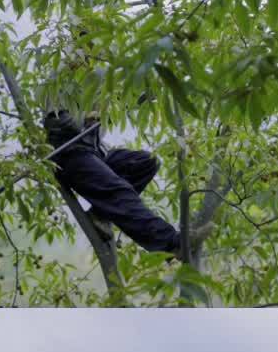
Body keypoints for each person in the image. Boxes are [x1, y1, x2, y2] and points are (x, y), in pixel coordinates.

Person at [43, 108, 181, 255]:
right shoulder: (61, 88)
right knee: (119, 192)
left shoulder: (101, 92)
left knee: (147, 162)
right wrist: (85, 118)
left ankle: (99, 214)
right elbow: (53, 120)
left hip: (98, 154)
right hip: (70, 154)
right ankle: (171, 243)